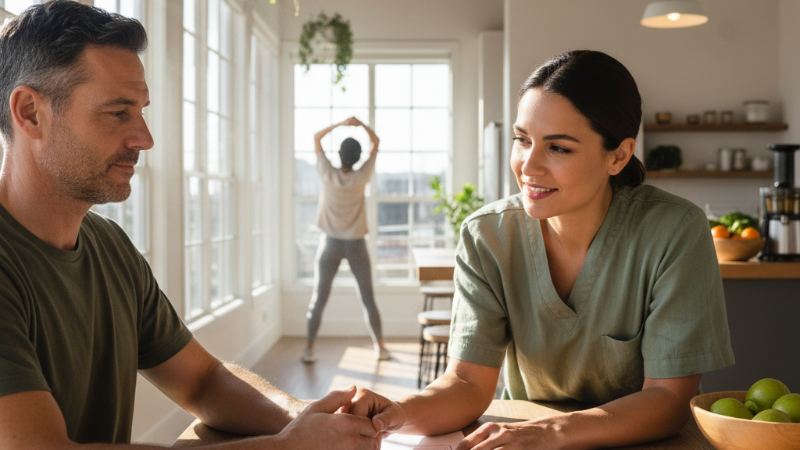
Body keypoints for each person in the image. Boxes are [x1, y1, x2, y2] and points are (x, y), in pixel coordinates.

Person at [0, 2, 381, 449]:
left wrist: (302, 417)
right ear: (29, 113)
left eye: (141, 110)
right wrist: (289, 446)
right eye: (119, 112)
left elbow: (201, 380)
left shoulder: (110, 246)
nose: (145, 137)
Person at [349, 50, 735, 449]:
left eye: (559, 148)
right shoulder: (488, 236)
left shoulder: (675, 230)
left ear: (618, 156)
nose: (528, 166)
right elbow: (466, 382)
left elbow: (670, 399)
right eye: (522, 140)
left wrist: (552, 431)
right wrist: (394, 414)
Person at [303, 117, 390, 363]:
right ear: (358, 156)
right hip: (356, 245)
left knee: (318, 298)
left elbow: (316, 138)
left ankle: (309, 348)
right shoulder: (361, 176)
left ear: (339, 155)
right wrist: (361, 124)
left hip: (329, 243)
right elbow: (377, 142)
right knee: (368, 297)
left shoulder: (327, 173)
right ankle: (380, 347)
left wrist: (340, 124)